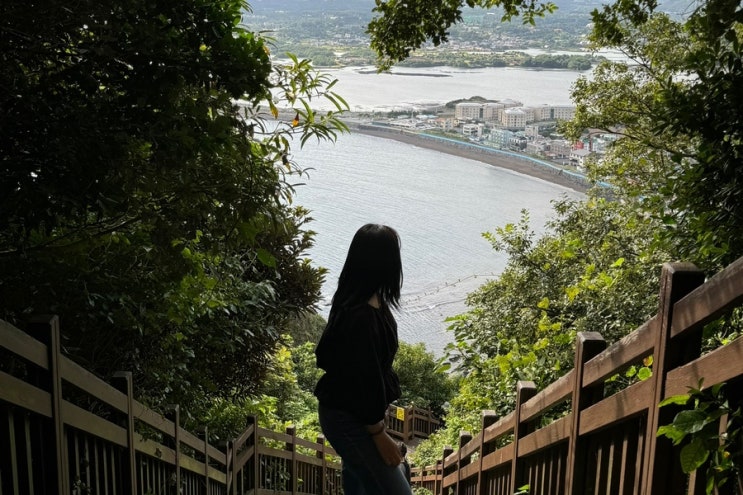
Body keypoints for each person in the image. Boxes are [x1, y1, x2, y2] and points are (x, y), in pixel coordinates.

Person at [314, 224, 412, 495]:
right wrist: (378, 433)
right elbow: (363, 379)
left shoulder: (366, 300)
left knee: (360, 487)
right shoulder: (360, 317)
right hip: (349, 419)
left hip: (358, 414)